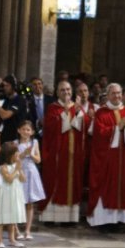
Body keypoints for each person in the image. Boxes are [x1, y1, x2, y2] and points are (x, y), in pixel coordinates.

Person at [87, 83, 125, 229]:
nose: (117, 96)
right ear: (107, 95)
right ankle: (103, 221)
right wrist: (118, 127)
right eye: (114, 93)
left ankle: (118, 220)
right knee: (106, 186)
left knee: (121, 186)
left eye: (119, 93)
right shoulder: (101, 113)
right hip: (106, 159)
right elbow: (99, 133)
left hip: (123, 158)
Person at [40, 80, 87, 225]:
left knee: (72, 183)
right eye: (62, 90)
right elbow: (51, 128)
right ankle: (50, 217)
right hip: (57, 154)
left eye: (68, 90)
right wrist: (66, 112)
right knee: (54, 181)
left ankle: (69, 219)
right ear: (57, 92)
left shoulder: (77, 107)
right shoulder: (52, 108)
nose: (66, 93)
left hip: (73, 154)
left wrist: (78, 112)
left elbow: (82, 128)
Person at [16, 119, 44, 240]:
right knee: (18, 202)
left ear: (32, 132)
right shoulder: (15, 143)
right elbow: (14, 159)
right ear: (19, 130)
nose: (25, 132)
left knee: (30, 203)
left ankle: (27, 230)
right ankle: (16, 230)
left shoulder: (35, 142)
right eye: (23, 129)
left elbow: (39, 159)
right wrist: (23, 154)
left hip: (31, 171)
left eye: (28, 130)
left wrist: (31, 154)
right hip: (20, 171)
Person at [0, 142, 26, 248]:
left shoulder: (16, 166)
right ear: (9, 155)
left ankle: (12, 239)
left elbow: (23, 179)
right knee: (2, 217)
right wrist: (16, 169)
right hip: (6, 193)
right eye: (16, 154)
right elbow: (9, 180)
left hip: (15, 193)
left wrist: (19, 169)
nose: (17, 156)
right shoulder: (4, 167)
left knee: (12, 217)